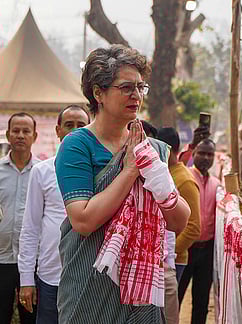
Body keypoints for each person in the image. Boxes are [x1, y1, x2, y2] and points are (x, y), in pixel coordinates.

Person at [54, 45, 190, 324]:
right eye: (126, 87)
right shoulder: (77, 145)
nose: (137, 96)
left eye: (141, 87)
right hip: (90, 287)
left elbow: (179, 221)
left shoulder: (153, 149)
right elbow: (82, 220)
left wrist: (155, 175)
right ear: (98, 93)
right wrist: (129, 170)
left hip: (143, 288)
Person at [17, 105, 90, 324]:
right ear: (58, 130)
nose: (74, 131)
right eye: (69, 125)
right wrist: (27, 279)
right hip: (50, 278)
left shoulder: (99, 172)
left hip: (88, 279)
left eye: (81, 126)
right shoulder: (42, 171)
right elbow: (30, 229)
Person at [0, 112, 39, 324]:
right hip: (2, 258)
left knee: (31, 317)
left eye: (26, 131)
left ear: (35, 135)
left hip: (33, 261)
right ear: (7, 134)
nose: (21, 135)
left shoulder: (43, 172)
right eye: (16, 131)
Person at [178, 139, 222, 324]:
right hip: (185, 248)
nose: (205, 157)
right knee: (176, 297)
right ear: (194, 154)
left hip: (207, 250)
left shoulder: (217, 185)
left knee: (202, 300)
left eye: (210, 154)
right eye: (202, 153)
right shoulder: (185, 177)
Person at [156, 127, 201, 282]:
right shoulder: (165, 173)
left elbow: (194, 227)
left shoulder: (185, 180)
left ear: (165, 148)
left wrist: (167, 252)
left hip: (174, 259)